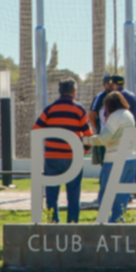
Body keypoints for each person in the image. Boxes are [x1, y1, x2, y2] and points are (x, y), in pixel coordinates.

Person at [34, 79, 91, 223]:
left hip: (52, 158)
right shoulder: (79, 109)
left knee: (51, 195)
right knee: (73, 195)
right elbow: (88, 136)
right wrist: (82, 151)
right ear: (74, 91)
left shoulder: (50, 109)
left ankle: (53, 224)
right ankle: (72, 226)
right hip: (73, 158)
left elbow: (36, 130)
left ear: (59, 92)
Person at [88, 90, 136, 223]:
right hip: (132, 159)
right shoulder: (129, 114)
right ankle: (118, 222)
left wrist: (86, 140)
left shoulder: (115, 116)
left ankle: (103, 222)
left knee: (106, 193)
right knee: (122, 194)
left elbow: (104, 138)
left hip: (115, 159)